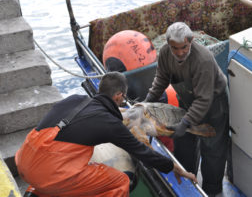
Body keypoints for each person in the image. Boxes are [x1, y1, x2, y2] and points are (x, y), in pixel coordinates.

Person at [15, 71, 197, 197]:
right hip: (49, 173)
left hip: (24, 159)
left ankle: (35, 192)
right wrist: (176, 168)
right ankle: (45, 186)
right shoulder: (109, 123)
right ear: (119, 96)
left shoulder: (74, 100)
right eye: (123, 98)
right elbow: (143, 153)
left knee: (59, 167)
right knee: (119, 182)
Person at [145, 22, 230, 196]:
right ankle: (186, 179)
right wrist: (146, 104)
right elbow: (161, 80)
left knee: (212, 151)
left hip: (213, 103)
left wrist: (185, 122)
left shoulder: (203, 59)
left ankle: (212, 191)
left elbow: (204, 99)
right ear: (168, 45)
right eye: (174, 48)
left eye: (184, 47)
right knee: (183, 144)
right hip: (187, 100)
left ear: (191, 41)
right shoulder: (166, 55)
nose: (179, 52)